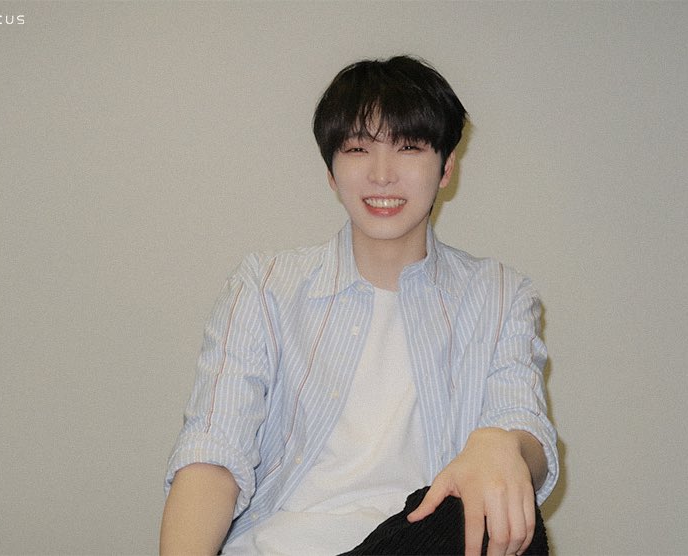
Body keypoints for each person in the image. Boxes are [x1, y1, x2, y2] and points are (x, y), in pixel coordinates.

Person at [160, 55, 558, 556]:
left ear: (446, 167)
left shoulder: (499, 295)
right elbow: (213, 453)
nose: (382, 175)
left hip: (417, 542)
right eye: (357, 149)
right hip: (281, 545)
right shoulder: (264, 288)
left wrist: (502, 444)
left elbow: (524, 429)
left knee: (499, 520)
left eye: (408, 147)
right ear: (331, 171)